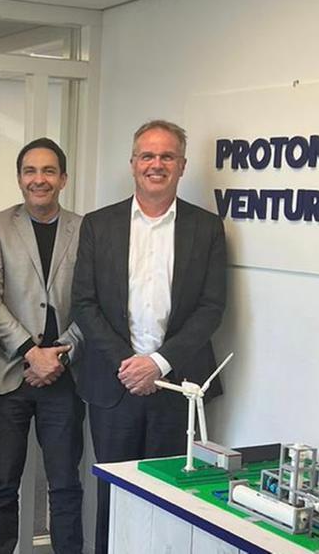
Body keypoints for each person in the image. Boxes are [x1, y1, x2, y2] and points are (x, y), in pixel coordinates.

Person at [71, 120, 227, 554]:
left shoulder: (207, 228)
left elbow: (212, 307)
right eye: (147, 155)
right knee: (114, 498)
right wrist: (130, 364)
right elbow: (83, 303)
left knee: (170, 501)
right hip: (114, 385)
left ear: (182, 165)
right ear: (133, 163)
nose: (156, 164)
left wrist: (157, 363)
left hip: (176, 387)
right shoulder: (99, 225)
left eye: (167, 156)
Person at [0, 138, 85, 554]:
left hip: (64, 375)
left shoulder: (85, 228)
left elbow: (92, 301)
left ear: (63, 179)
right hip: (10, 374)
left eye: (48, 171)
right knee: (2, 484)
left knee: (65, 484)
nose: (39, 179)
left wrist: (60, 355)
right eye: (30, 171)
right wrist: (30, 352)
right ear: (20, 178)